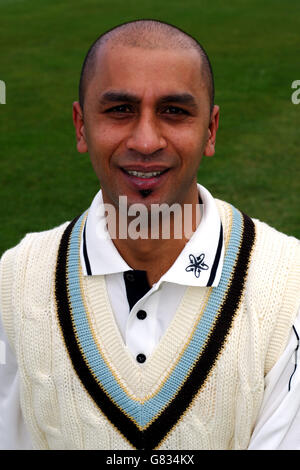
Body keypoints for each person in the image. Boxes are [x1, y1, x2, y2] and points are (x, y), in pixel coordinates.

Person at [0, 19, 299, 451]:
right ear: (80, 125)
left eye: (174, 111)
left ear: (210, 131)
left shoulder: (289, 284)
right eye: (120, 110)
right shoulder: (15, 280)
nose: (144, 140)